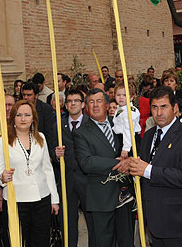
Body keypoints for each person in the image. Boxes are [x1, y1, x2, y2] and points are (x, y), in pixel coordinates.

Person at [123, 86, 182, 246]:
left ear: (175, 108)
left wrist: (147, 170)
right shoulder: (149, 136)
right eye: (154, 107)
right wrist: (133, 168)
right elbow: (144, 172)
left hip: (179, 223)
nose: (159, 113)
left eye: (164, 107)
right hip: (153, 222)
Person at [0, 99, 59, 246]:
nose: (23, 119)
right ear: (13, 117)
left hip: (42, 199)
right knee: (17, 243)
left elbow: (47, 169)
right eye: (19, 115)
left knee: (41, 242)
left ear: (33, 118)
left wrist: (54, 199)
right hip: (16, 201)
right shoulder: (2, 141)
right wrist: (2, 177)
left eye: (27, 115)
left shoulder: (41, 138)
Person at [73, 88, 134, 247]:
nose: (95, 105)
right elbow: (87, 162)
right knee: (103, 242)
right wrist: (119, 163)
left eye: (99, 101)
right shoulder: (81, 133)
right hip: (101, 197)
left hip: (124, 195)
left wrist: (131, 161)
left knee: (127, 241)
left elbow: (133, 148)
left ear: (107, 105)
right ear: (86, 107)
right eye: (91, 102)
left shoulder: (122, 124)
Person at [55, 89, 92, 247]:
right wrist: (56, 154)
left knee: (93, 223)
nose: (73, 104)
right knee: (68, 224)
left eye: (76, 100)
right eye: (69, 101)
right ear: (65, 104)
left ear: (83, 104)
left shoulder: (91, 125)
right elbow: (50, 149)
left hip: (88, 181)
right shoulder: (58, 126)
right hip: (67, 181)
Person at [21, 81, 58, 156]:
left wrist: (49, 154)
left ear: (36, 96)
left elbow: (50, 134)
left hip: (41, 148)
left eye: (29, 95)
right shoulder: (19, 108)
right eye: (24, 95)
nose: (25, 97)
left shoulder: (46, 109)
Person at [111, 82, 140, 159]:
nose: (121, 97)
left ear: (131, 97)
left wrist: (126, 148)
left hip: (129, 140)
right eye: (118, 95)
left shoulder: (130, 111)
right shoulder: (119, 109)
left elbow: (129, 129)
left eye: (124, 95)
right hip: (120, 138)